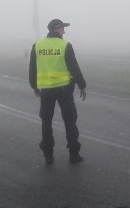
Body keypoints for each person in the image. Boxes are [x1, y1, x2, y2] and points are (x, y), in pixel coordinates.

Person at [29, 18, 87, 164]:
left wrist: (34, 86)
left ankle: (48, 155)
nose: (64, 31)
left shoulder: (37, 46)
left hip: (46, 90)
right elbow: (74, 67)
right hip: (64, 89)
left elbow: (33, 69)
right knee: (70, 121)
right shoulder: (65, 45)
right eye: (63, 28)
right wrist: (82, 86)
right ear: (57, 29)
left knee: (46, 122)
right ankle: (74, 154)